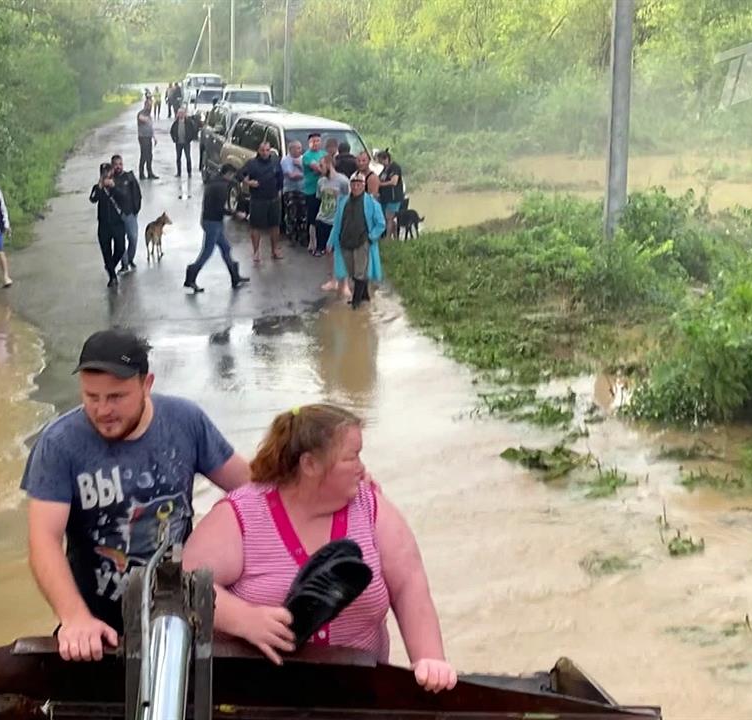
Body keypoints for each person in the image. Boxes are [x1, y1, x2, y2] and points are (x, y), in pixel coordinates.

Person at [181, 404, 457, 692]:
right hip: (254, 692)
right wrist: (243, 619)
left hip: (359, 691)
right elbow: (183, 586)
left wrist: (429, 661)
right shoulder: (241, 514)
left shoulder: (371, 507)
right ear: (310, 464)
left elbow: (409, 586)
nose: (362, 468)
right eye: (352, 457)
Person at [23, 329, 252, 661]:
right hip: (98, 626)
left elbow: (249, 489)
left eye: (116, 397)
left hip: (180, 612)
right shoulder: (59, 444)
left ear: (147, 384)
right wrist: (74, 617)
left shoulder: (185, 421)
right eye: (91, 396)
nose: (102, 410)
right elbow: (43, 540)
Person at [185, 164, 251, 293]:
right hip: (213, 222)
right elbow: (220, 208)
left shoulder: (214, 182)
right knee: (207, 252)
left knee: (226, 248)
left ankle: (235, 277)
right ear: (228, 174)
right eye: (232, 175)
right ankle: (191, 277)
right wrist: (235, 214)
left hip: (209, 220)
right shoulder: (222, 187)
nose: (232, 178)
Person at [328, 172, 385, 308]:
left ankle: (356, 303)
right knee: (352, 272)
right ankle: (365, 296)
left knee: (360, 272)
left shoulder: (372, 203)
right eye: (353, 184)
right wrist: (331, 241)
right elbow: (337, 223)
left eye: (359, 184)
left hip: (362, 242)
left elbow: (381, 223)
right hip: (345, 241)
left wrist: (371, 237)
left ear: (364, 185)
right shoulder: (343, 202)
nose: (356, 187)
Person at [238, 141, 284, 263]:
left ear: (270, 150)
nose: (265, 153)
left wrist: (280, 190)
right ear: (258, 151)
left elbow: (280, 177)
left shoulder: (275, 161)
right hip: (257, 199)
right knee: (255, 226)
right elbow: (239, 174)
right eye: (262, 150)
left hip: (273, 198)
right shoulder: (252, 163)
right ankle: (256, 252)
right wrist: (248, 182)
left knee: (275, 225)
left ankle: (275, 250)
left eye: (267, 150)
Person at [89, 163, 129, 288]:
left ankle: (110, 266)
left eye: (108, 172)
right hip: (104, 225)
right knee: (106, 251)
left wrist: (114, 187)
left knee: (120, 248)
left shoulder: (118, 184)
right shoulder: (97, 187)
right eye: (104, 173)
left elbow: (124, 198)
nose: (107, 175)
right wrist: (100, 187)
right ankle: (112, 277)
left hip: (118, 223)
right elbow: (93, 199)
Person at [111, 155, 143, 273]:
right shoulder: (110, 180)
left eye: (120, 164)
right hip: (116, 216)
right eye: (116, 164)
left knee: (133, 238)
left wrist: (136, 209)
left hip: (130, 214)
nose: (118, 167)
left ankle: (130, 259)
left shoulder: (129, 177)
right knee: (120, 241)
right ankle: (124, 264)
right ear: (112, 166)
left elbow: (138, 194)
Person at [313, 155, 348, 260]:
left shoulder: (343, 181)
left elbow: (348, 199)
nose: (319, 169)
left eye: (321, 166)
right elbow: (319, 197)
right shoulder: (321, 181)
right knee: (323, 251)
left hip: (335, 220)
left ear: (329, 165)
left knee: (334, 251)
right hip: (322, 218)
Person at [280, 140, 308, 248]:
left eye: (300, 148)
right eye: (297, 148)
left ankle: (302, 237)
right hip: (290, 190)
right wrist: (302, 174)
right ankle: (292, 237)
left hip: (302, 190)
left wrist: (300, 167)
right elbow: (291, 175)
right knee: (291, 214)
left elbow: (309, 173)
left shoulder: (303, 159)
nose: (300, 150)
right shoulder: (285, 160)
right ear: (291, 149)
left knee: (303, 214)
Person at [301, 134, 326, 251]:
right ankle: (312, 242)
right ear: (309, 143)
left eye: (318, 141)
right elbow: (317, 168)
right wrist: (323, 169)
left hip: (324, 190)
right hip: (311, 190)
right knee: (313, 217)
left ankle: (322, 241)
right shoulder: (307, 156)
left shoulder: (323, 154)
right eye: (313, 141)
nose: (316, 143)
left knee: (323, 216)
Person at [377, 150, 405, 238]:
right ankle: (395, 236)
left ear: (386, 159)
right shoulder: (385, 169)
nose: (380, 163)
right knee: (388, 218)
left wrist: (380, 184)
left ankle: (388, 238)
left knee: (389, 217)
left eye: (380, 161)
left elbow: (394, 182)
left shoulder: (395, 168)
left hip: (394, 197)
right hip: (385, 197)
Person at [170, 108, 199, 178]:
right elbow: (172, 131)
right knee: (178, 158)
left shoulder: (188, 122)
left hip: (186, 143)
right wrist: (174, 139)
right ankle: (179, 173)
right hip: (178, 143)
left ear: (184, 114)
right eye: (179, 113)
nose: (181, 115)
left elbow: (193, 130)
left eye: (182, 113)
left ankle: (189, 172)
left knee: (188, 158)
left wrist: (189, 139)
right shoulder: (176, 123)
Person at [137, 100, 159, 180]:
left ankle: (150, 173)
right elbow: (141, 118)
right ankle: (141, 173)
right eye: (149, 105)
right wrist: (147, 119)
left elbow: (150, 127)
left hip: (149, 137)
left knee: (149, 155)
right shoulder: (141, 113)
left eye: (151, 105)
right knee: (144, 155)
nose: (150, 107)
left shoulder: (149, 115)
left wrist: (154, 137)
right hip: (143, 137)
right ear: (145, 105)